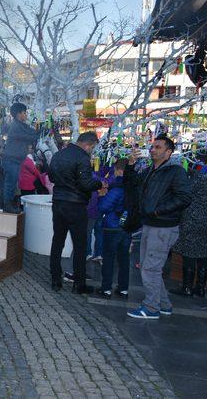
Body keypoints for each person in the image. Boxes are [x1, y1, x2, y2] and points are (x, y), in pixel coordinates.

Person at [124, 135, 192, 319]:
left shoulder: (175, 172)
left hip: (162, 226)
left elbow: (185, 197)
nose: (153, 149)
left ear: (168, 152)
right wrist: (130, 165)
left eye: (158, 147)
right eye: (152, 146)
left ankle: (151, 308)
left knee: (150, 269)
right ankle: (163, 304)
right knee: (149, 266)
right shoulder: (149, 171)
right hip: (150, 223)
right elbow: (131, 185)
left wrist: (157, 211)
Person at [48, 132, 105, 294]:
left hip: (58, 203)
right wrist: (100, 184)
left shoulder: (58, 155)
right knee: (80, 245)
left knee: (57, 241)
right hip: (76, 206)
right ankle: (79, 284)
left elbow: (52, 177)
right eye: (92, 148)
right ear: (89, 144)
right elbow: (86, 184)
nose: (91, 151)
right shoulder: (82, 158)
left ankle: (55, 280)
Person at [96, 158, 131, 298]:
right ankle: (123, 289)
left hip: (112, 226)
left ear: (120, 170)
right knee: (124, 259)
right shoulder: (133, 188)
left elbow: (103, 207)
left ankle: (106, 288)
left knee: (109, 258)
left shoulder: (117, 189)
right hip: (127, 227)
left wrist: (101, 197)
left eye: (115, 170)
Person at [170, 171, 207, 297]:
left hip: (193, 219)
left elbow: (186, 194)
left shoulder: (201, 177)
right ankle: (201, 288)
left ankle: (187, 287)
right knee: (203, 253)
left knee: (189, 253)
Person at [1, 102, 38, 213]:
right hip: (11, 159)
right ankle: (7, 205)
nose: (26, 115)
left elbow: (32, 132)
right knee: (10, 183)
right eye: (24, 113)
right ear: (18, 114)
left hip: (15, 160)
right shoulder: (16, 126)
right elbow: (31, 135)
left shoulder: (21, 125)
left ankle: (9, 204)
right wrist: (38, 132)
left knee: (12, 183)